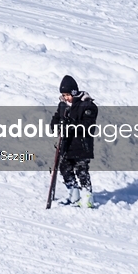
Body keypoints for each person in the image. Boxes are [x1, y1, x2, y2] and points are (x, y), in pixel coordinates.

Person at [50, 75, 99, 208]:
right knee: (64, 168)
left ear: (73, 92)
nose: (65, 97)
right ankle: (74, 194)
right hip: (66, 144)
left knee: (81, 170)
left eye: (67, 94)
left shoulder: (87, 105)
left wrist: (71, 124)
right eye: (63, 95)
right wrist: (55, 124)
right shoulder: (62, 105)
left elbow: (88, 125)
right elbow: (57, 117)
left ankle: (87, 197)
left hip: (81, 145)